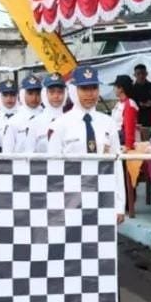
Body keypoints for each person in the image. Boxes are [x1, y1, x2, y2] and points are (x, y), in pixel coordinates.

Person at [46, 65, 126, 225]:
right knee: (71, 247)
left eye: (94, 88)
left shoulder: (108, 123)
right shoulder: (60, 125)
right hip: (71, 199)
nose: (90, 94)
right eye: (84, 88)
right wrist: (55, 205)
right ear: (74, 90)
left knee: (101, 247)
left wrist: (120, 205)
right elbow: (53, 169)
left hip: (103, 197)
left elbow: (116, 165)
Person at [24, 72, 67, 153]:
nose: (56, 96)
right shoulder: (34, 122)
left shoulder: (71, 121)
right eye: (52, 92)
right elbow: (29, 154)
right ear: (45, 94)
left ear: (65, 94)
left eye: (60, 92)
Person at [2, 74, 43, 153]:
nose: (34, 97)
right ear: (23, 94)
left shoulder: (46, 118)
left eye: (37, 93)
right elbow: (7, 152)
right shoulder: (13, 121)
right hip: (20, 164)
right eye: (30, 93)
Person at [110, 74, 139, 150]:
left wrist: (128, 146)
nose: (114, 89)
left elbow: (129, 127)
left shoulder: (129, 104)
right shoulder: (119, 103)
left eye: (115, 87)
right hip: (116, 140)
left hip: (123, 143)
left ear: (121, 88)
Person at [130, 64, 151, 134]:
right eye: (138, 74)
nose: (141, 76)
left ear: (146, 74)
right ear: (134, 75)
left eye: (143, 73)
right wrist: (139, 105)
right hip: (138, 123)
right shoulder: (132, 89)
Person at [0, 79, 18, 152]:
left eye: (12, 95)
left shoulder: (24, 116)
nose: (9, 99)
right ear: (0, 97)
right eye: (5, 95)